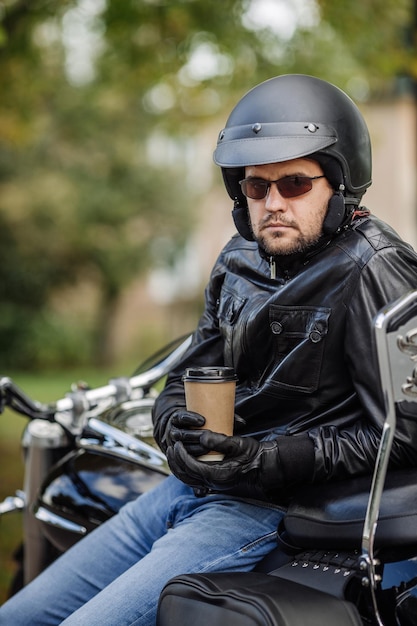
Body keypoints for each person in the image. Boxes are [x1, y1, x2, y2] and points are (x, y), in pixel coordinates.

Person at [2, 74, 417, 626]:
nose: (272, 203)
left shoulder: (375, 269)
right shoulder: (239, 257)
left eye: (294, 184)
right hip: (188, 487)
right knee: (19, 615)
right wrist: (172, 424)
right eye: (255, 187)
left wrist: (273, 459)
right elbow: (190, 370)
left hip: (264, 509)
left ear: (339, 184)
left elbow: (404, 432)